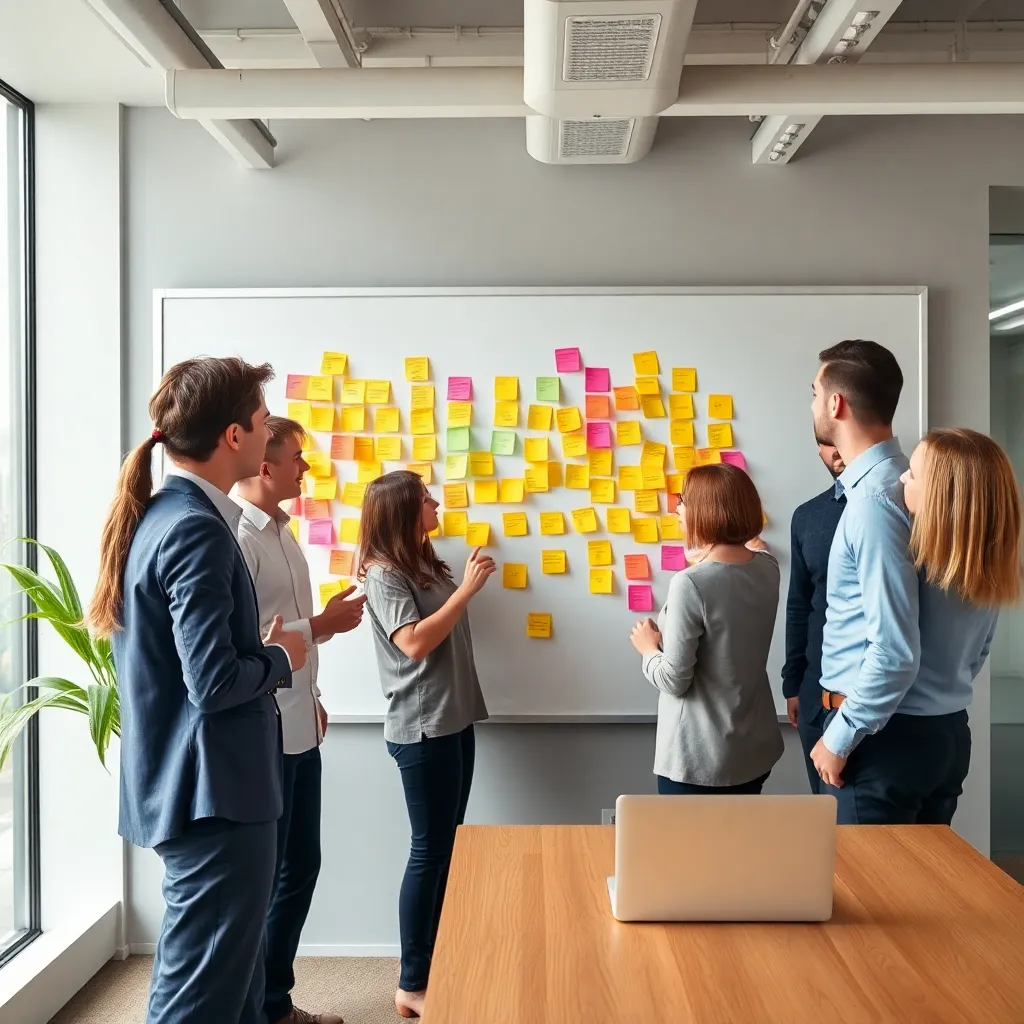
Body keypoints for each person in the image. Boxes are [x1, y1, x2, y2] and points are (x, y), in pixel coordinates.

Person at [88, 357, 307, 1024]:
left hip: (204, 791)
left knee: (231, 985)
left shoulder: (166, 515)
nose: (271, 430)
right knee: (199, 997)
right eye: (264, 420)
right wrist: (279, 655)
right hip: (215, 797)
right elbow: (212, 684)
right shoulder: (194, 530)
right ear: (234, 436)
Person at [235, 416, 367, 1024]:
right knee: (270, 875)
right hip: (262, 731)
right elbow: (250, 645)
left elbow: (284, 635)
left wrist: (310, 688)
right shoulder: (238, 538)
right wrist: (323, 626)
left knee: (300, 865)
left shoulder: (285, 536)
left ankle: (273, 1001)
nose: (306, 469)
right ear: (266, 466)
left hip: (298, 722)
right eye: (296, 459)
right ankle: (263, 1006)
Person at [355, 471, 495, 1020]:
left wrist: (457, 586)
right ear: (403, 509)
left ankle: (437, 963)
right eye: (426, 497)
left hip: (454, 719)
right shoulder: (384, 574)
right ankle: (412, 984)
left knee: (448, 848)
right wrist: (465, 591)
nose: (436, 502)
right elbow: (412, 643)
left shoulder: (424, 562)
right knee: (429, 850)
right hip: (422, 728)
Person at [808, 339, 924, 821]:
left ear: (836, 404)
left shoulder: (874, 502)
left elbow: (895, 649)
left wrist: (839, 736)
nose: (813, 403)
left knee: (869, 894)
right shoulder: (907, 483)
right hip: (895, 726)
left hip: (868, 738)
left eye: (814, 392)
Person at [629, 463, 784, 795]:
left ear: (707, 510)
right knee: (739, 845)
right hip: (752, 753)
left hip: (698, 762)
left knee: (690, 848)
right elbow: (755, 549)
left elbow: (674, 679)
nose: (677, 509)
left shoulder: (690, 583)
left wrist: (648, 649)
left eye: (684, 500)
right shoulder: (768, 568)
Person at [894, 428, 1022, 823]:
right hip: (951, 732)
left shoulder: (911, 561)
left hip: (901, 733)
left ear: (941, 495)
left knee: (879, 879)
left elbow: (891, 656)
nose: (901, 479)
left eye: (912, 474)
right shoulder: (987, 567)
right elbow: (979, 653)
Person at [782, 439, 846, 793]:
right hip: (813, 699)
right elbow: (799, 605)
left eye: (839, 440)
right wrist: (792, 684)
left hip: (874, 710)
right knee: (827, 824)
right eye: (825, 443)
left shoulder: (901, 506)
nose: (835, 451)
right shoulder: (808, 516)